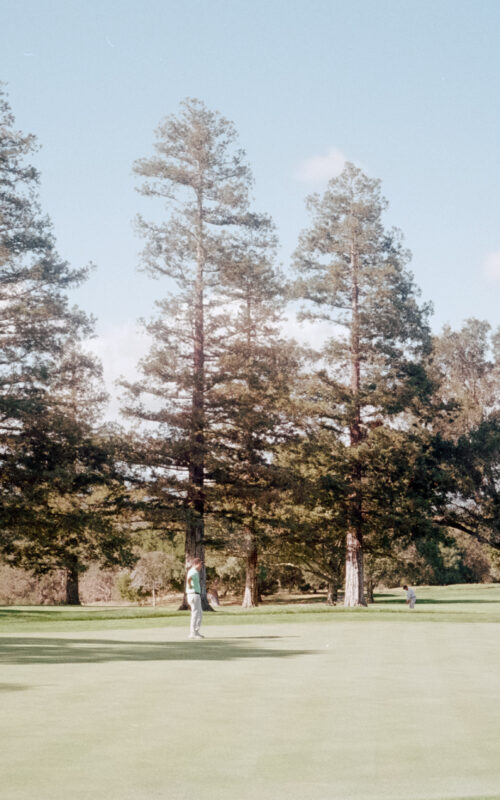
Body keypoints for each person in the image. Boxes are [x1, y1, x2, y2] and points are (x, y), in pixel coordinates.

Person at [186, 557, 204, 639]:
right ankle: (193, 633)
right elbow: (189, 579)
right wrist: (190, 585)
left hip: (195, 594)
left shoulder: (195, 571)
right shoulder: (193, 571)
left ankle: (196, 632)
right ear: (195, 564)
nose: (201, 566)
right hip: (193, 594)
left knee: (199, 613)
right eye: (200, 564)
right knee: (195, 613)